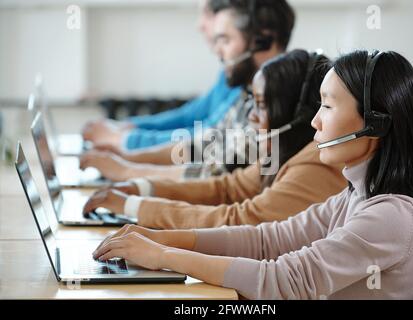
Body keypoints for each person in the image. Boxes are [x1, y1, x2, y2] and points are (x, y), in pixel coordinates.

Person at [91, 50, 413, 300]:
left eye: (328, 106)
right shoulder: (356, 195)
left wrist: (164, 256)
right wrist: (162, 239)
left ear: (374, 123)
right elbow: (267, 240)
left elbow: (284, 280)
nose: (315, 121)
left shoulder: (390, 216)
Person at [82, 49, 347, 229]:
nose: (252, 117)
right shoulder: (281, 152)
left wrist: (135, 206)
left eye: (261, 106)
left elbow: (240, 219)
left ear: (299, 116)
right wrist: (140, 188)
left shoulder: (314, 164)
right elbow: (228, 188)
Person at [80, 0, 296, 180]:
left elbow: (222, 176)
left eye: (226, 40)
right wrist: (131, 157)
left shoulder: (277, 101)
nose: (218, 51)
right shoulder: (247, 93)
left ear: (263, 40)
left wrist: (130, 169)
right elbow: (204, 144)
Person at [81, 0, 242, 150]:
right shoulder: (229, 71)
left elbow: (208, 140)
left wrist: (125, 140)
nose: (199, 25)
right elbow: (190, 117)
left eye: (207, 14)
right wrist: (130, 127)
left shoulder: (247, 76)